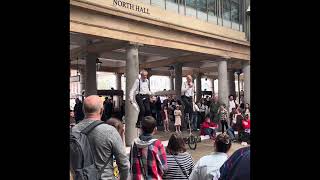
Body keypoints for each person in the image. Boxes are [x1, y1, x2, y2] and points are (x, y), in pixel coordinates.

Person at [71, 95, 129, 180]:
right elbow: (123, 164)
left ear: (83, 110)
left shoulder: (73, 130)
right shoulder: (110, 131)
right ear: (102, 110)